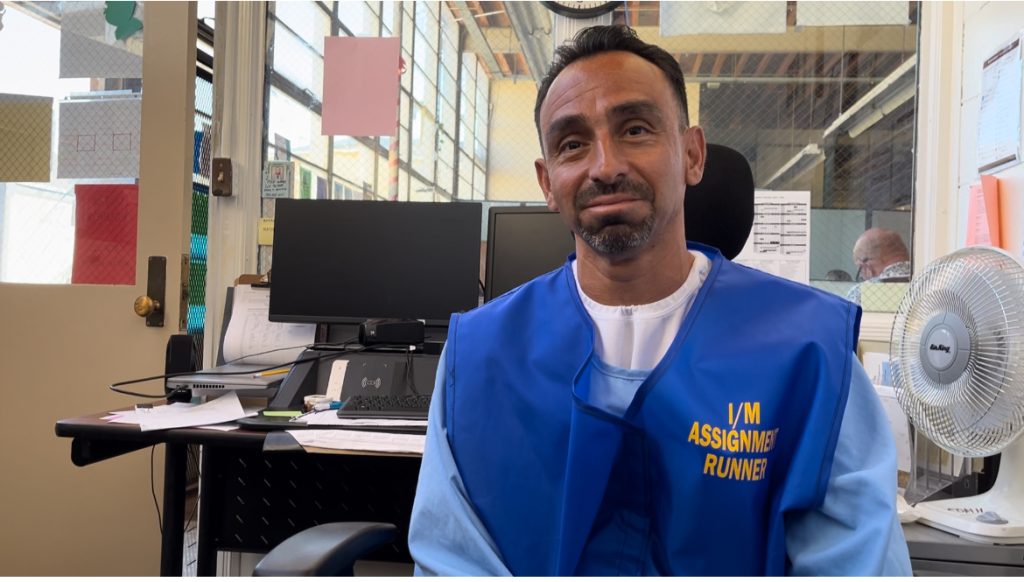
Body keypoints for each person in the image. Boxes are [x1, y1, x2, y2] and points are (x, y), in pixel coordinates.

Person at [408, 25, 911, 576]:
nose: (605, 166)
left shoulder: (810, 354)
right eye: (572, 144)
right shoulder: (478, 357)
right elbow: (451, 562)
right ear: (547, 182)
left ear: (692, 155)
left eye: (636, 130)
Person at [846, 227, 912, 305]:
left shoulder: (861, 293)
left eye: (860, 269)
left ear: (866, 266)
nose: (862, 276)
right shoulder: (922, 283)